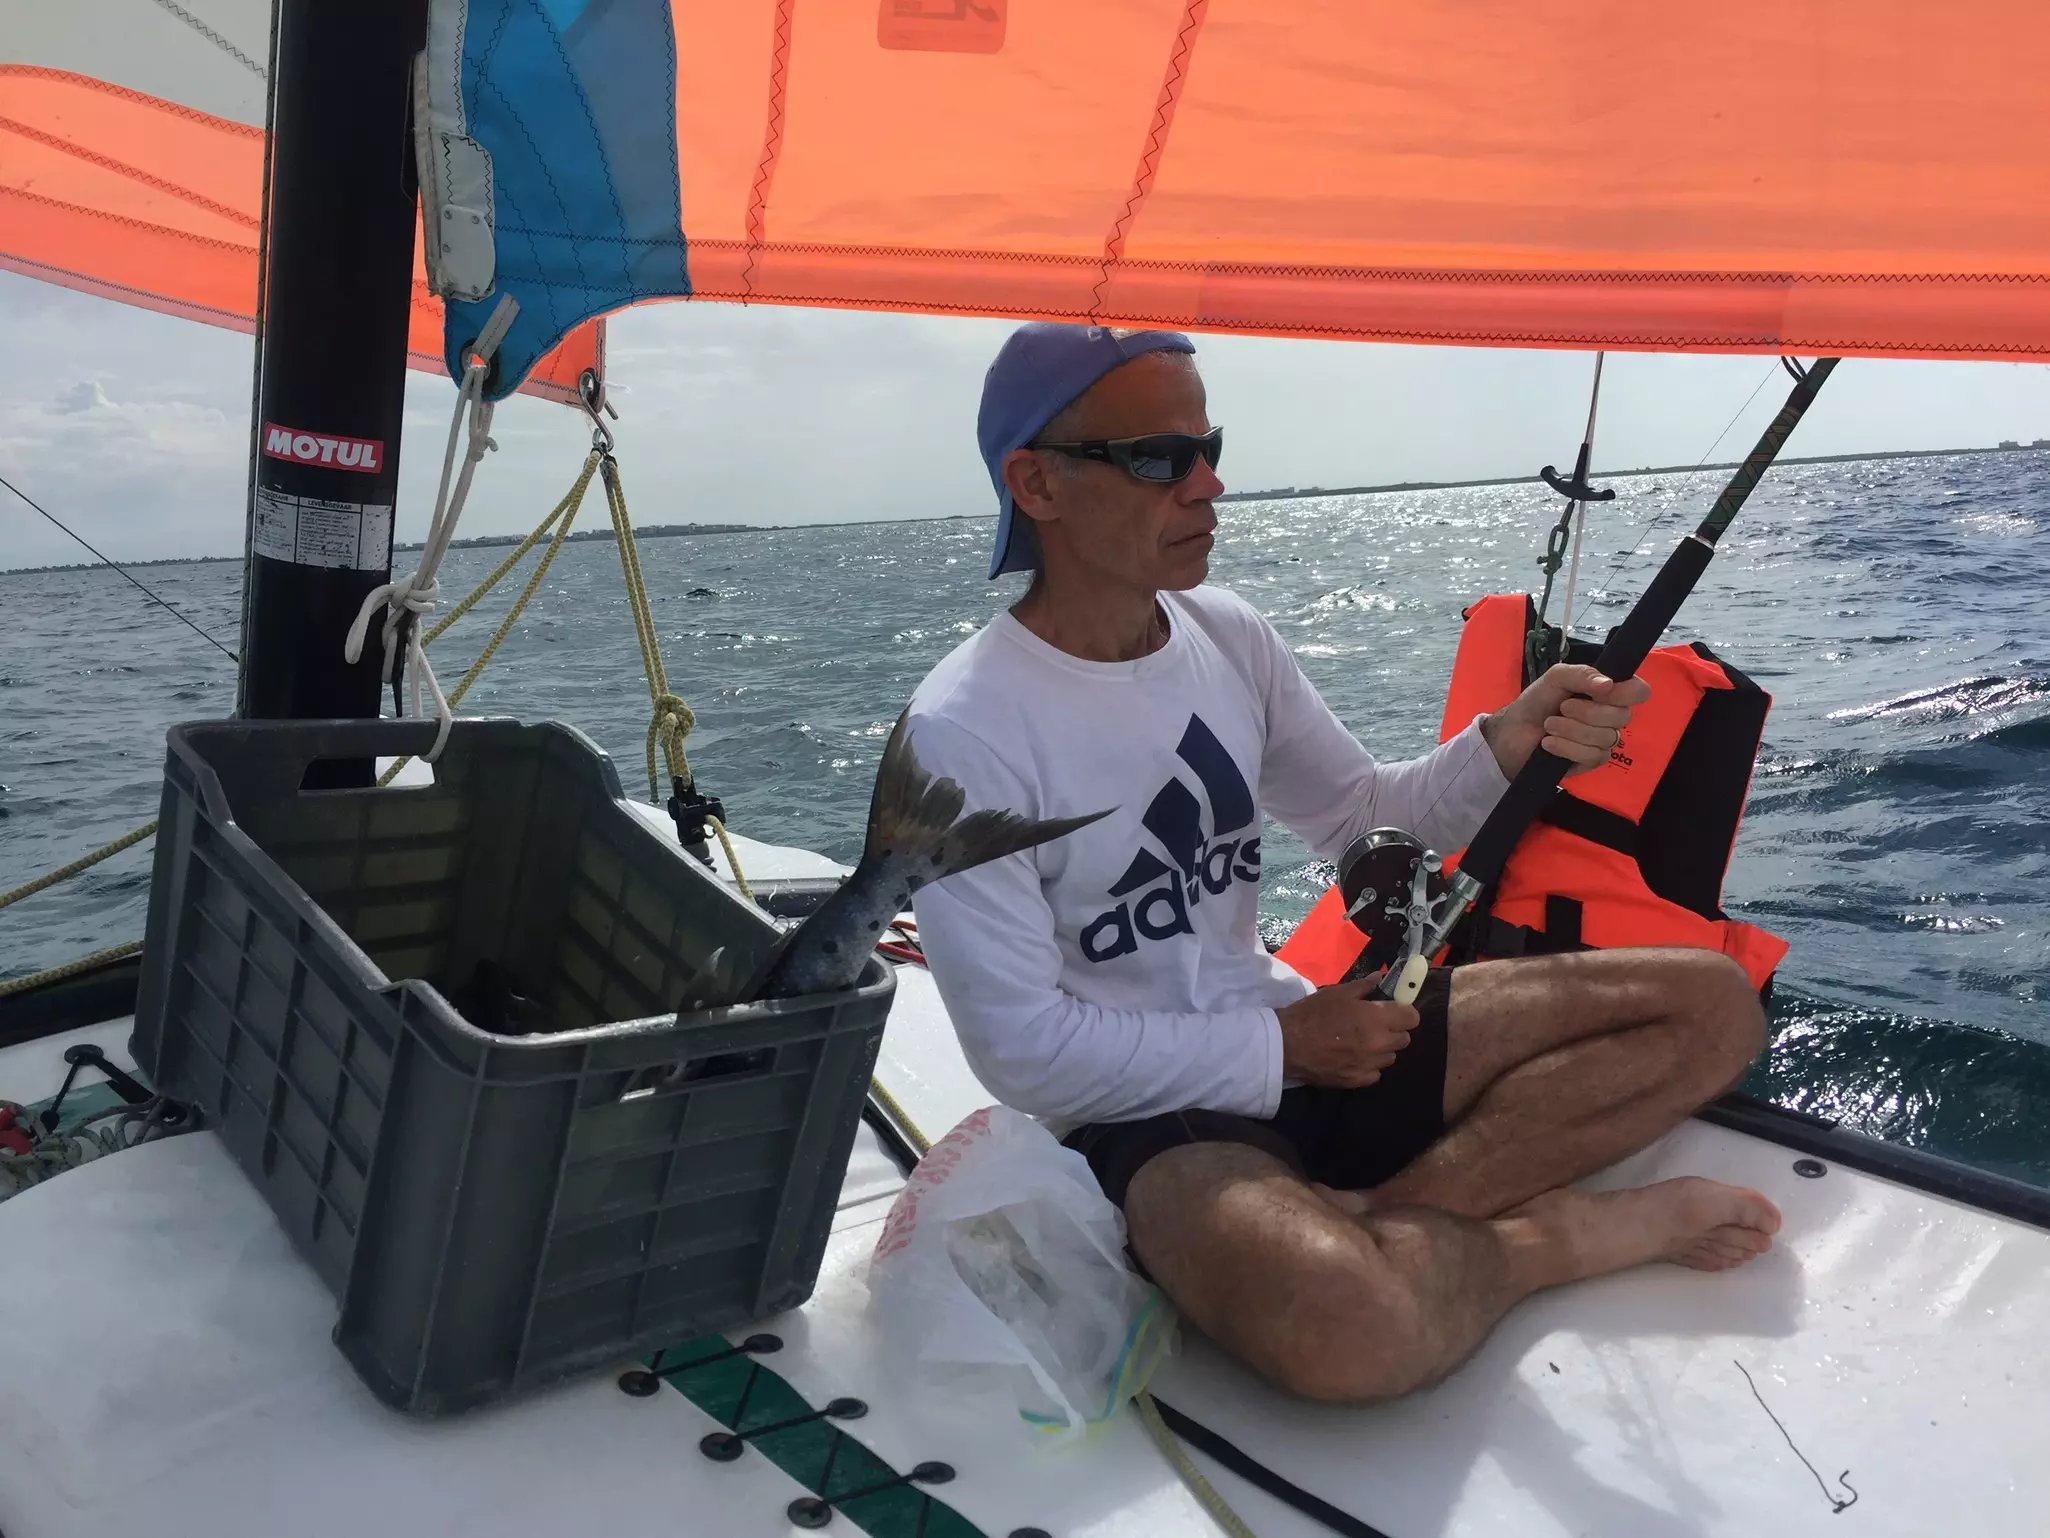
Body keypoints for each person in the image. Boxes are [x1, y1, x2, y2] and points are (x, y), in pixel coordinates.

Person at [905, 323, 1781, 1404]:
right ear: (1036, 483)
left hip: (1310, 1045)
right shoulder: (963, 733)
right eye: (1159, 459)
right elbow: (1026, 1053)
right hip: (1151, 1117)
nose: (1209, 484)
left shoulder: (1225, 634)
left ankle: (1384, 1217)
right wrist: (1281, 1048)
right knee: (1354, 1334)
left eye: (1208, 447)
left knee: (1713, 1005)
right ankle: (1546, 1239)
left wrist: (1510, 738)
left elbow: (1364, 814)